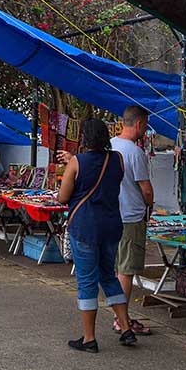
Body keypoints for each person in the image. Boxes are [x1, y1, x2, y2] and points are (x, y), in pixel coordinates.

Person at [57, 118, 137, 352]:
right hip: (112, 226)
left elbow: (63, 197)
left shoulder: (77, 163)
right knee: (109, 276)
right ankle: (125, 328)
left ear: (84, 138)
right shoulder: (118, 159)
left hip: (85, 228)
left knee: (87, 282)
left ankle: (89, 338)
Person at [109, 104, 155, 336]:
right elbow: (145, 190)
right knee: (125, 271)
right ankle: (122, 319)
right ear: (138, 124)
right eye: (145, 126)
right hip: (130, 217)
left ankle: (121, 317)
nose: (146, 131)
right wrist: (151, 205)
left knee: (118, 269)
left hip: (111, 215)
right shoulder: (135, 153)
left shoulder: (109, 145)